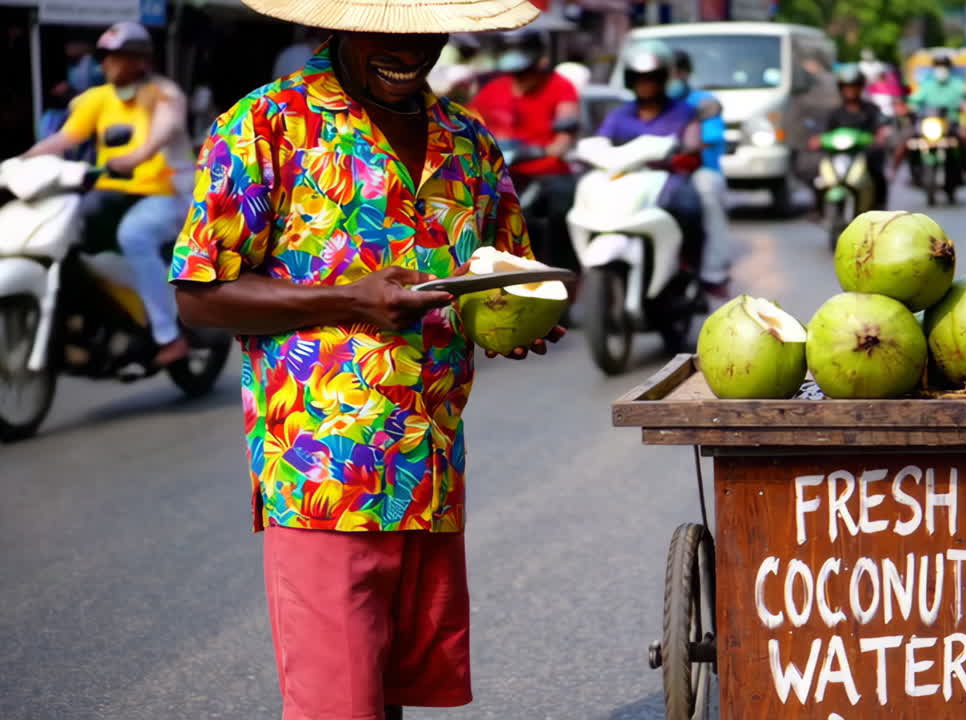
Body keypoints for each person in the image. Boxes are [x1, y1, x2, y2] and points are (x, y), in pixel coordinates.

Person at [167, 0, 559, 717]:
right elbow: (200, 296)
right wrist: (349, 300)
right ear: (341, 22)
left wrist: (515, 318)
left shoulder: (466, 140)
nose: (408, 50)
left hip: (431, 468)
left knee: (387, 697)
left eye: (426, 30)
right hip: (324, 473)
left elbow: (500, 273)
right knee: (338, 704)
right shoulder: (264, 125)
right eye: (389, 28)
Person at [20, 21, 194, 367]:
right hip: (114, 192)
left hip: (168, 193)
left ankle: (169, 335)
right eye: (105, 57)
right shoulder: (97, 99)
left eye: (118, 57)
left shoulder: (164, 95)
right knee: (66, 233)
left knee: (135, 234)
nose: (108, 64)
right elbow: (64, 139)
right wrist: (23, 160)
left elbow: (161, 133)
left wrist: (135, 157)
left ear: (141, 60)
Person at [595, 41, 713, 287]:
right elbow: (600, 143)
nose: (645, 84)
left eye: (652, 78)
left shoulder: (683, 112)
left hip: (668, 180)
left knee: (690, 208)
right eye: (640, 78)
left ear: (663, 79)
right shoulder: (619, 114)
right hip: (626, 181)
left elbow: (693, 144)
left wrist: (685, 152)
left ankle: (690, 272)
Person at [469, 29, 580, 270]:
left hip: (548, 173)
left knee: (562, 209)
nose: (520, 77)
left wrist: (547, 149)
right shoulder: (492, 90)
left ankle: (565, 270)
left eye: (525, 71)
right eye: (515, 72)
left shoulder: (561, 87)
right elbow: (468, 125)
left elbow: (564, 137)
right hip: (500, 174)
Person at [669, 48, 732, 295]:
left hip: (699, 171)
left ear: (684, 73)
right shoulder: (652, 103)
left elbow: (710, 137)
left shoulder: (704, 104)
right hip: (659, 172)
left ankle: (713, 273)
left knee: (708, 194)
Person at [821, 67, 892, 209]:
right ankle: (817, 207)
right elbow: (825, 133)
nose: (850, 91)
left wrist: (879, 137)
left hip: (864, 155)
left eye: (854, 87)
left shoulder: (871, 109)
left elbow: (880, 128)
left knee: (877, 169)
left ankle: (879, 203)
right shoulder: (835, 113)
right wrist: (818, 140)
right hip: (840, 156)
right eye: (847, 87)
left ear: (860, 87)